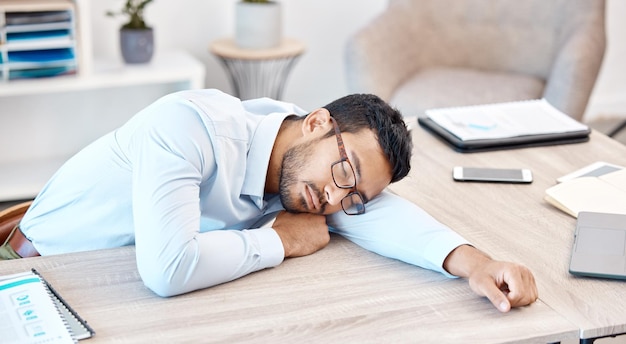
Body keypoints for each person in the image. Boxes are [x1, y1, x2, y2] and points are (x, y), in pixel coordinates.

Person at [2, 89, 537, 312]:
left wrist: (479, 264)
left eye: (351, 196)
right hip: (34, 276)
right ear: (318, 122)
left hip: (115, 294)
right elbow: (168, 271)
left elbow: (384, 215)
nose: (333, 199)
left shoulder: (311, 167)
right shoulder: (189, 127)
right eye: (343, 171)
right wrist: (276, 241)